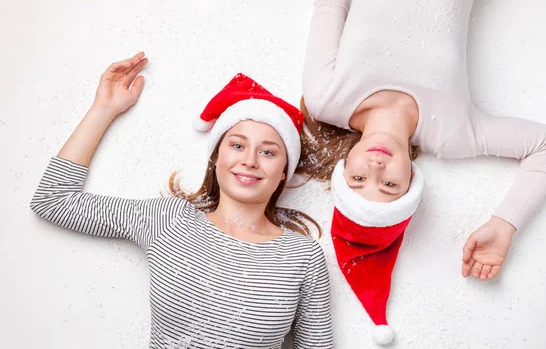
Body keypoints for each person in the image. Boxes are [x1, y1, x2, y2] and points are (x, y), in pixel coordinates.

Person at [297, 0, 546, 344]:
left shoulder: (327, 98)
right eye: (389, 186)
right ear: (411, 181)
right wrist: (504, 224)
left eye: (357, 179)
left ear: (345, 163)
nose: (375, 170)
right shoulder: (453, 134)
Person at [30, 52, 334, 348]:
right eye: (238, 145)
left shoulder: (302, 256)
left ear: (283, 171)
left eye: (268, 152)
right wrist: (103, 108)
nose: (250, 160)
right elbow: (54, 200)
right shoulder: (169, 220)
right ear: (216, 156)